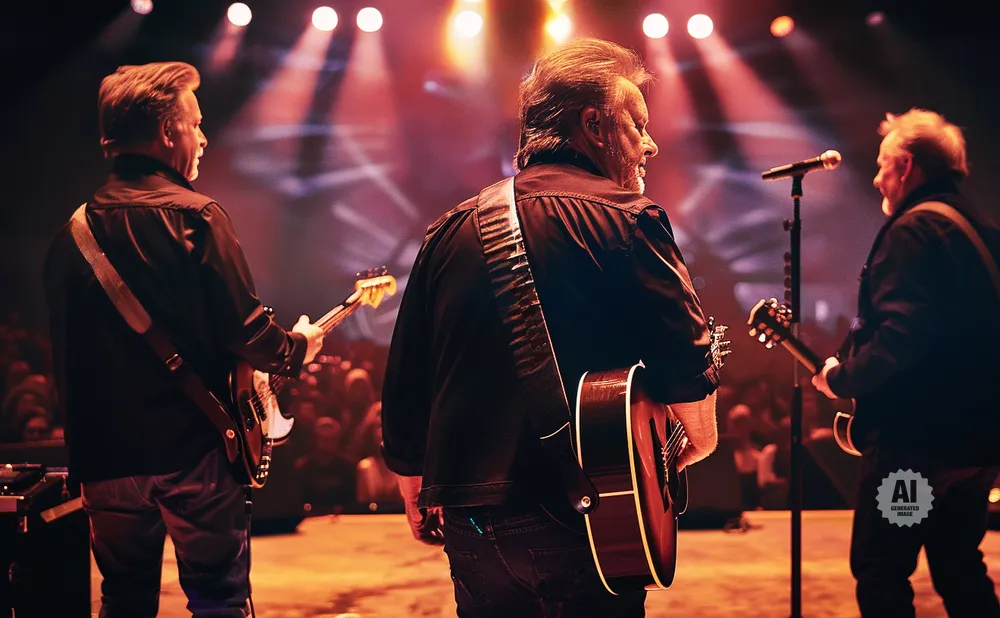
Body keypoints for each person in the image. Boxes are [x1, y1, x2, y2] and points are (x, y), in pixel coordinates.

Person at [381, 38, 720, 617]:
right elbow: (691, 384)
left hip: (468, 520)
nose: (651, 143)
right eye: (637, 124)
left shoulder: (446, 232)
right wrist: (678, 450)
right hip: (583, 520)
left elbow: (408, 377)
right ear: (594, 124)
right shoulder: (632, 221)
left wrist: (414, 485)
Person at [43, 61, 325, 618]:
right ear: (169, 133)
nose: (203, 136)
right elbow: (247, 332)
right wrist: (296, 348)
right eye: (195, 123)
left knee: (123, 600)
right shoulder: (197, 218)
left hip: (106, 462)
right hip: (194, 453)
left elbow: (67, 364)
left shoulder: (69, 235)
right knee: (218, 599)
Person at [812, 108, 1000, 617]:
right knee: (960, 563)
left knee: (884, 568)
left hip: (917, 458)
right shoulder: (983, 231)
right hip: (976, 449)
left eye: (881, 165)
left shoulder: (913, 231)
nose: (875, 178)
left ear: (906, 165)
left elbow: (901, 337)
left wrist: (841, 378)